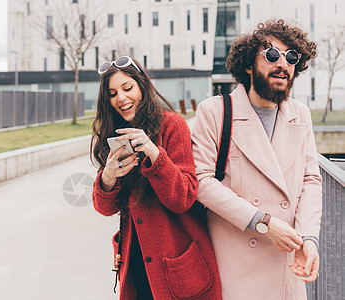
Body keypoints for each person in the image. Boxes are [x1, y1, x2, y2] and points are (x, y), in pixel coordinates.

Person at [191, 19, 322, 299]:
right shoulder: (215, 112)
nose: (282, 64)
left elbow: (311, 180)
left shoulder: (301, 115)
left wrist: (309, 239)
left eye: (291, 57)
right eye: (272, 55)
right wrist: (262, 222)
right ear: (249, 65)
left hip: (288, 264)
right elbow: (200, 182)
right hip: (236, 269)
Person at [91, 56, 222, 300]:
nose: (121, 98)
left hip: (178, 263)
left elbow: (183, 198)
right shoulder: (114, 135)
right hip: (137, 265)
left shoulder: (172, 125)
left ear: (142, 85)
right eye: (112, 93)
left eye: (127, 88)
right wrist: (108, 177)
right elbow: (105, 208)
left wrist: (154, 153)